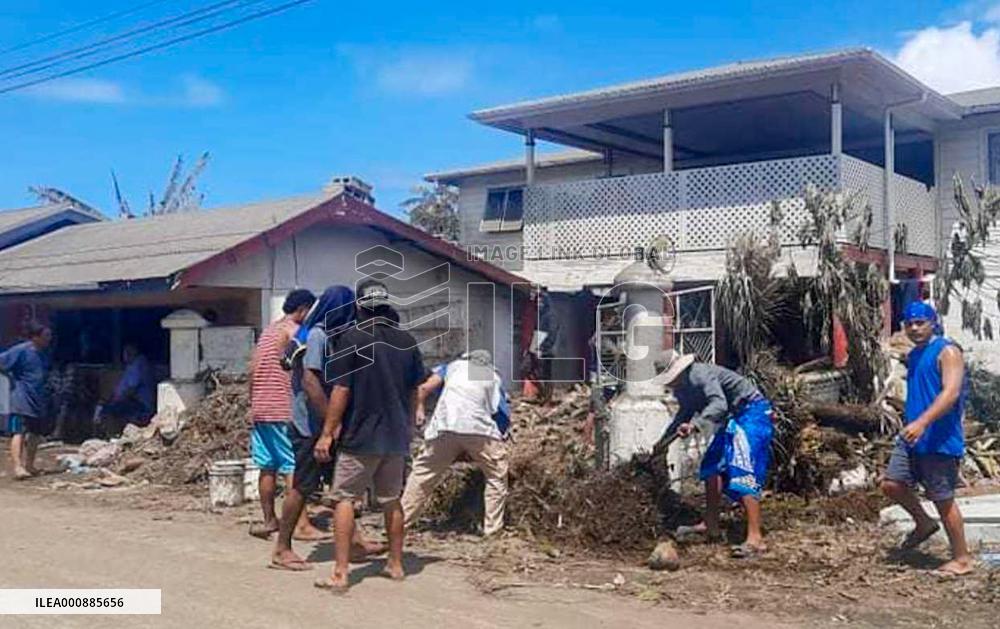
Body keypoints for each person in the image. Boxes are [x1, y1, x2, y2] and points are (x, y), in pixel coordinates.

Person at [314, 279, 426, 592]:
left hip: (361, 435)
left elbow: (341, 389)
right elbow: (416, 387)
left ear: (359, 307)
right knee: (391, 500)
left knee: (344, 499)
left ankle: (340, 572)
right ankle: (396, 564)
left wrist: (327, 433)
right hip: (395, 437)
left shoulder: (352, 338)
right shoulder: (406, 341)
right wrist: (412, 420)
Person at [270, 285, 379, 571]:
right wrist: (331, 424)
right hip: (310, 426)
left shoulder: (331, 336)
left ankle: (353, 542)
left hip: (325, 424)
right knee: (303, 486)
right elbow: (310, 382)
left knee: (342, 487)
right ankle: (282, 548)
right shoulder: (317, 336)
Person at [881, 302, 973, 577]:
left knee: (942, 499)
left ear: (933, 322)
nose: (914, 328)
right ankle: (923, 523)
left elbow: (951, 392)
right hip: (913, 436)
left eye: (920, 322)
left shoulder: (947, 350)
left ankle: (962, 558)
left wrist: (923, 422)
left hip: (939, 438)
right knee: (891, 484)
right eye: (910, 323)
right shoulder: (916, 354)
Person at [652, 350, 775, 558]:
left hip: (752, 412)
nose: (670, 384)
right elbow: (683, 415)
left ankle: (756, 539)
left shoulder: (700, 375)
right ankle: (711, 526)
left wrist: (694, 426)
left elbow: (719, 404)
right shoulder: (683, 389)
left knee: (742, 468)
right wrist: (662, 443)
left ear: (679, 371)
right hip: (735, 416)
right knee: (711, 467)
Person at [401, 349, 510, 537]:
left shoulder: (452, 367)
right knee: (496, 475)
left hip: (444, 426)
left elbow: (424, 388)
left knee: (422, 475)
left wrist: (418, 410)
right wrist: (495, 441)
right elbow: (501, 414)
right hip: (478, 427)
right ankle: (493, 530)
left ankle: (400, 524)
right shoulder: (492, 375)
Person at [247, 289, 326, 541]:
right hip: (283, 408)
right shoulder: (294, 333)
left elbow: (251, 370)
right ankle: (301, 525)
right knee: (294, 467)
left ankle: (270, 520)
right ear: (303, 309)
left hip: (261, 408)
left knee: (267, 465)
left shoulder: (268, 332)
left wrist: (252, 403)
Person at [0, 322, 53, 479]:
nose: (49, 339)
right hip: (21, 399)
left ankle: (30, 465)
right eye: (46, 336)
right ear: (35, 337)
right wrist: (11, 378)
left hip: (38, 399)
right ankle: (18, 467)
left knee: (35, 433)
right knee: (19, 432)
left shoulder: (43, 353)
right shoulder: (21, 350)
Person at [98, 344, 157, 437]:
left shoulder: (139, 364)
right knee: (105, 407)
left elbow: (131, 389)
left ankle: (113, 435)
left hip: (139, 404)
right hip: (131, 401)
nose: (124, 356)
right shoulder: (131, 365)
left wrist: (116, 401)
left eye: (127, 352)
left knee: (109, 411)